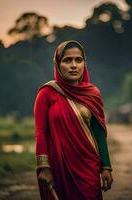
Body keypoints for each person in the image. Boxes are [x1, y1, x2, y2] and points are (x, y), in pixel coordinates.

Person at [34, 40, 113, 200]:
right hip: (59, 169)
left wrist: (106, 166)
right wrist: (44, 167)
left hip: (88, 167)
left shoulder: (93, 94)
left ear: (84, 63)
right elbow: (40, 132)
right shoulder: (47, 93)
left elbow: (99, 133)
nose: (74, 65)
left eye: (78, 60)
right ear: (57, 64)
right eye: (67, 60)